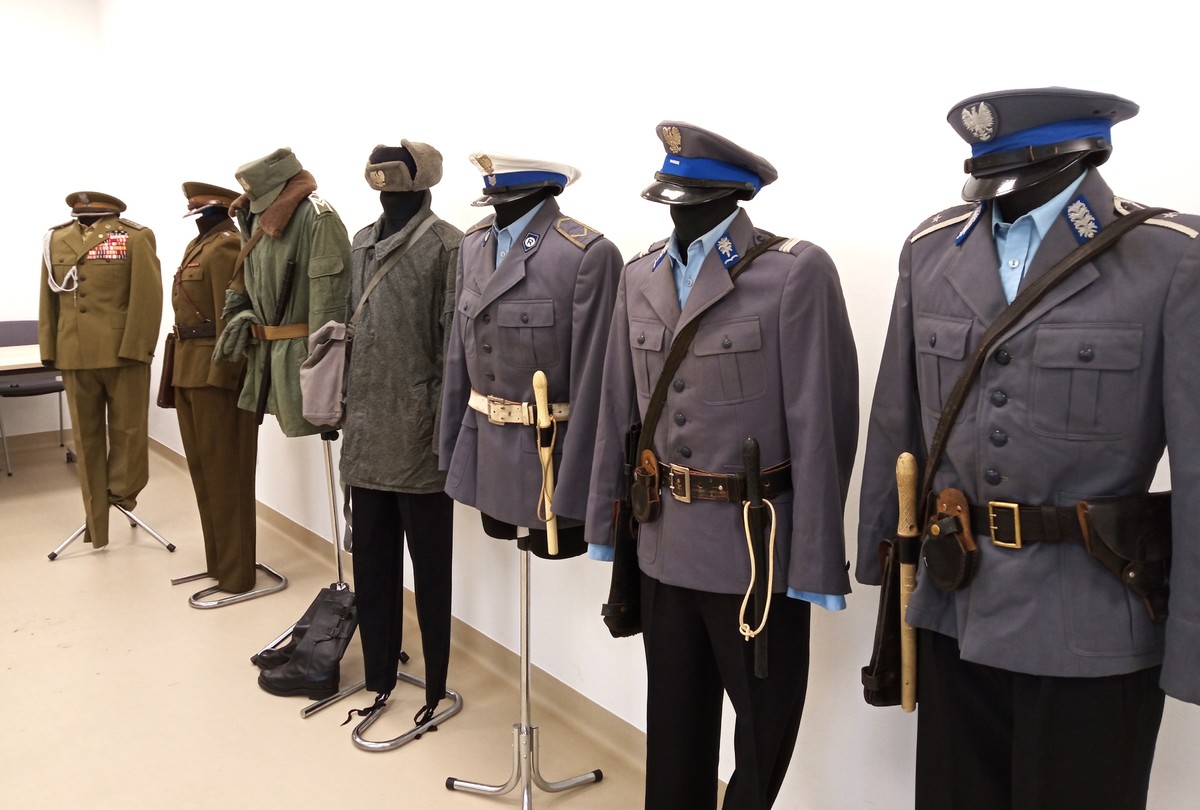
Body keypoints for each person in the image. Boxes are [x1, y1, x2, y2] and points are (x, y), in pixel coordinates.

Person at [857, 87, 1200, 809]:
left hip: (1092, 620)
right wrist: (885, 564)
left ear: (1082, 154)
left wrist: (1193, 644)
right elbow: (897, 421)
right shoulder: (931, 250)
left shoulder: (1170, 260)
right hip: (954, 606)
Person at [586, 122, 859, 810]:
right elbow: (616, 412)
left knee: (762, 738)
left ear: (732, 197)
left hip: (754, 556)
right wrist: (604, 524)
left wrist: (816, 564)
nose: (679, 211)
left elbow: (823, 425)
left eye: (694, 198)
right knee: (673, 730)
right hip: (663, 544)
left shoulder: (793, 273)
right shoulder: (638, 275)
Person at [439, 152, 622, 558]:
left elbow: (598, 388)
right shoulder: (473, 244)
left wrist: (585, 488)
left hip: (548, 465)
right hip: (484, 453)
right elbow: (458, 356)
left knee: (548, 550)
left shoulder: (585, 256)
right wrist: (452, 447)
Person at [341, 142, 462, 725]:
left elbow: (453, 351)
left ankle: (435, 686)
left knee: (431, 570)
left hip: (419, 441)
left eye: (395, 181)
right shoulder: (362, 241)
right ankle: (379, 676)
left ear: (421, 181)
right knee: (371, 564)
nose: (386, 192)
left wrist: (444, 435)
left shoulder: (448, 246)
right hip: (365, 433)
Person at [38, 191, 163, 548]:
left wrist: (138, 350)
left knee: (130, 433)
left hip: (122, 354)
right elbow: (48, 298)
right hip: (74, 353)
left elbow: (147, 297)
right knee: (86, 439)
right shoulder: (55, 239)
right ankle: (97, 520)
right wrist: (50, 349)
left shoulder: (134, 236)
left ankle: (119, 494)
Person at [213, 147, 350, 437]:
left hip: (301, 361)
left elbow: (330, 307)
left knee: (316, 420)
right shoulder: (253, 216)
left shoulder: (316, 216)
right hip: (270, 357)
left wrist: (325, 382)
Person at [170, 182, 257, 593]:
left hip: (215, 376)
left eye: (200, 210)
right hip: (188, 369)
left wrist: (225, 376)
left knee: (228, 477)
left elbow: (232, 319)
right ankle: (218, 564)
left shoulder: (225, 246)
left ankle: (237, 575)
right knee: (205, 475)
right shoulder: (199, 244)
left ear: (217, 210)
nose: (196, 216)